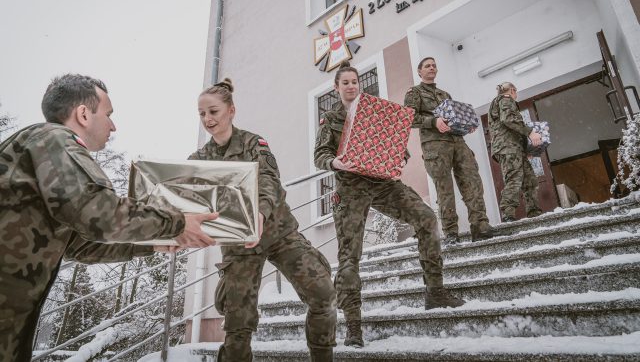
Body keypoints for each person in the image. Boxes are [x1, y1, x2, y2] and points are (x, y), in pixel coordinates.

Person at [0, 74, 217, 362]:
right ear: (83, 114)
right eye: (109, 114)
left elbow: (80, 245)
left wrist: (153, 244)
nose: (113, 126)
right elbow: (97, 213)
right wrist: (177, 222)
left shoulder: (44, 149)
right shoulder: (54, 139)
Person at [314, 62, 464, 349]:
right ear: (337, 87)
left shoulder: (374, 111)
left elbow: (396, 144)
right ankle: (353, 326)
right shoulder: (331, 118)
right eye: (345, 82)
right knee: (349, 257)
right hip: (350, 186)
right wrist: (334, 161)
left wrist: (398, 155)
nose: (351, 86)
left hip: (382, 182)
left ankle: (435, 293)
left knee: (426, 218)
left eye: (354, 81)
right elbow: (320, 154)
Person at [189, 79, 336, 362]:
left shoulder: (254, 143)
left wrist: (260, 211)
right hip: (239, 243)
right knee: (238, 321)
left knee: (323, 293)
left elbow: (269, 179)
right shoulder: (200, 159)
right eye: (202, 113)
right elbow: (188, 195)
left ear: (231, 110)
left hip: (278, 232)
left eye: (213, 111)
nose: (207, 119)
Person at [404, 57, 497, 245]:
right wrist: (433, 121)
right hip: (435, 145)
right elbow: (409, 118)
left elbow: (454, 116)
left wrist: (465, 125)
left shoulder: (445, 94)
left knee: (472, 181)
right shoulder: (415, 92)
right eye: (427, 66)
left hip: (457, 141)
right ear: (419, 71)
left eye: (434, 65)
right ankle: (451, 232)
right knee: (444, 189)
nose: (432, 68)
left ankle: (480, 225)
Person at [488, 82, 543, 222]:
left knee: (529, 180)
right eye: (516, 91)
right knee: (514, 178)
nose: (516, 95)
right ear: (512, 90)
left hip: (515, 148)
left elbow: (509, 125)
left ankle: (534, 212)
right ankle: (508, 213)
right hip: (508, 147)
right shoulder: (506, 99)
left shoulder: (501, 102)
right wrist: (530, 132)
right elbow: (509, 119)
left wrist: (525, 149)